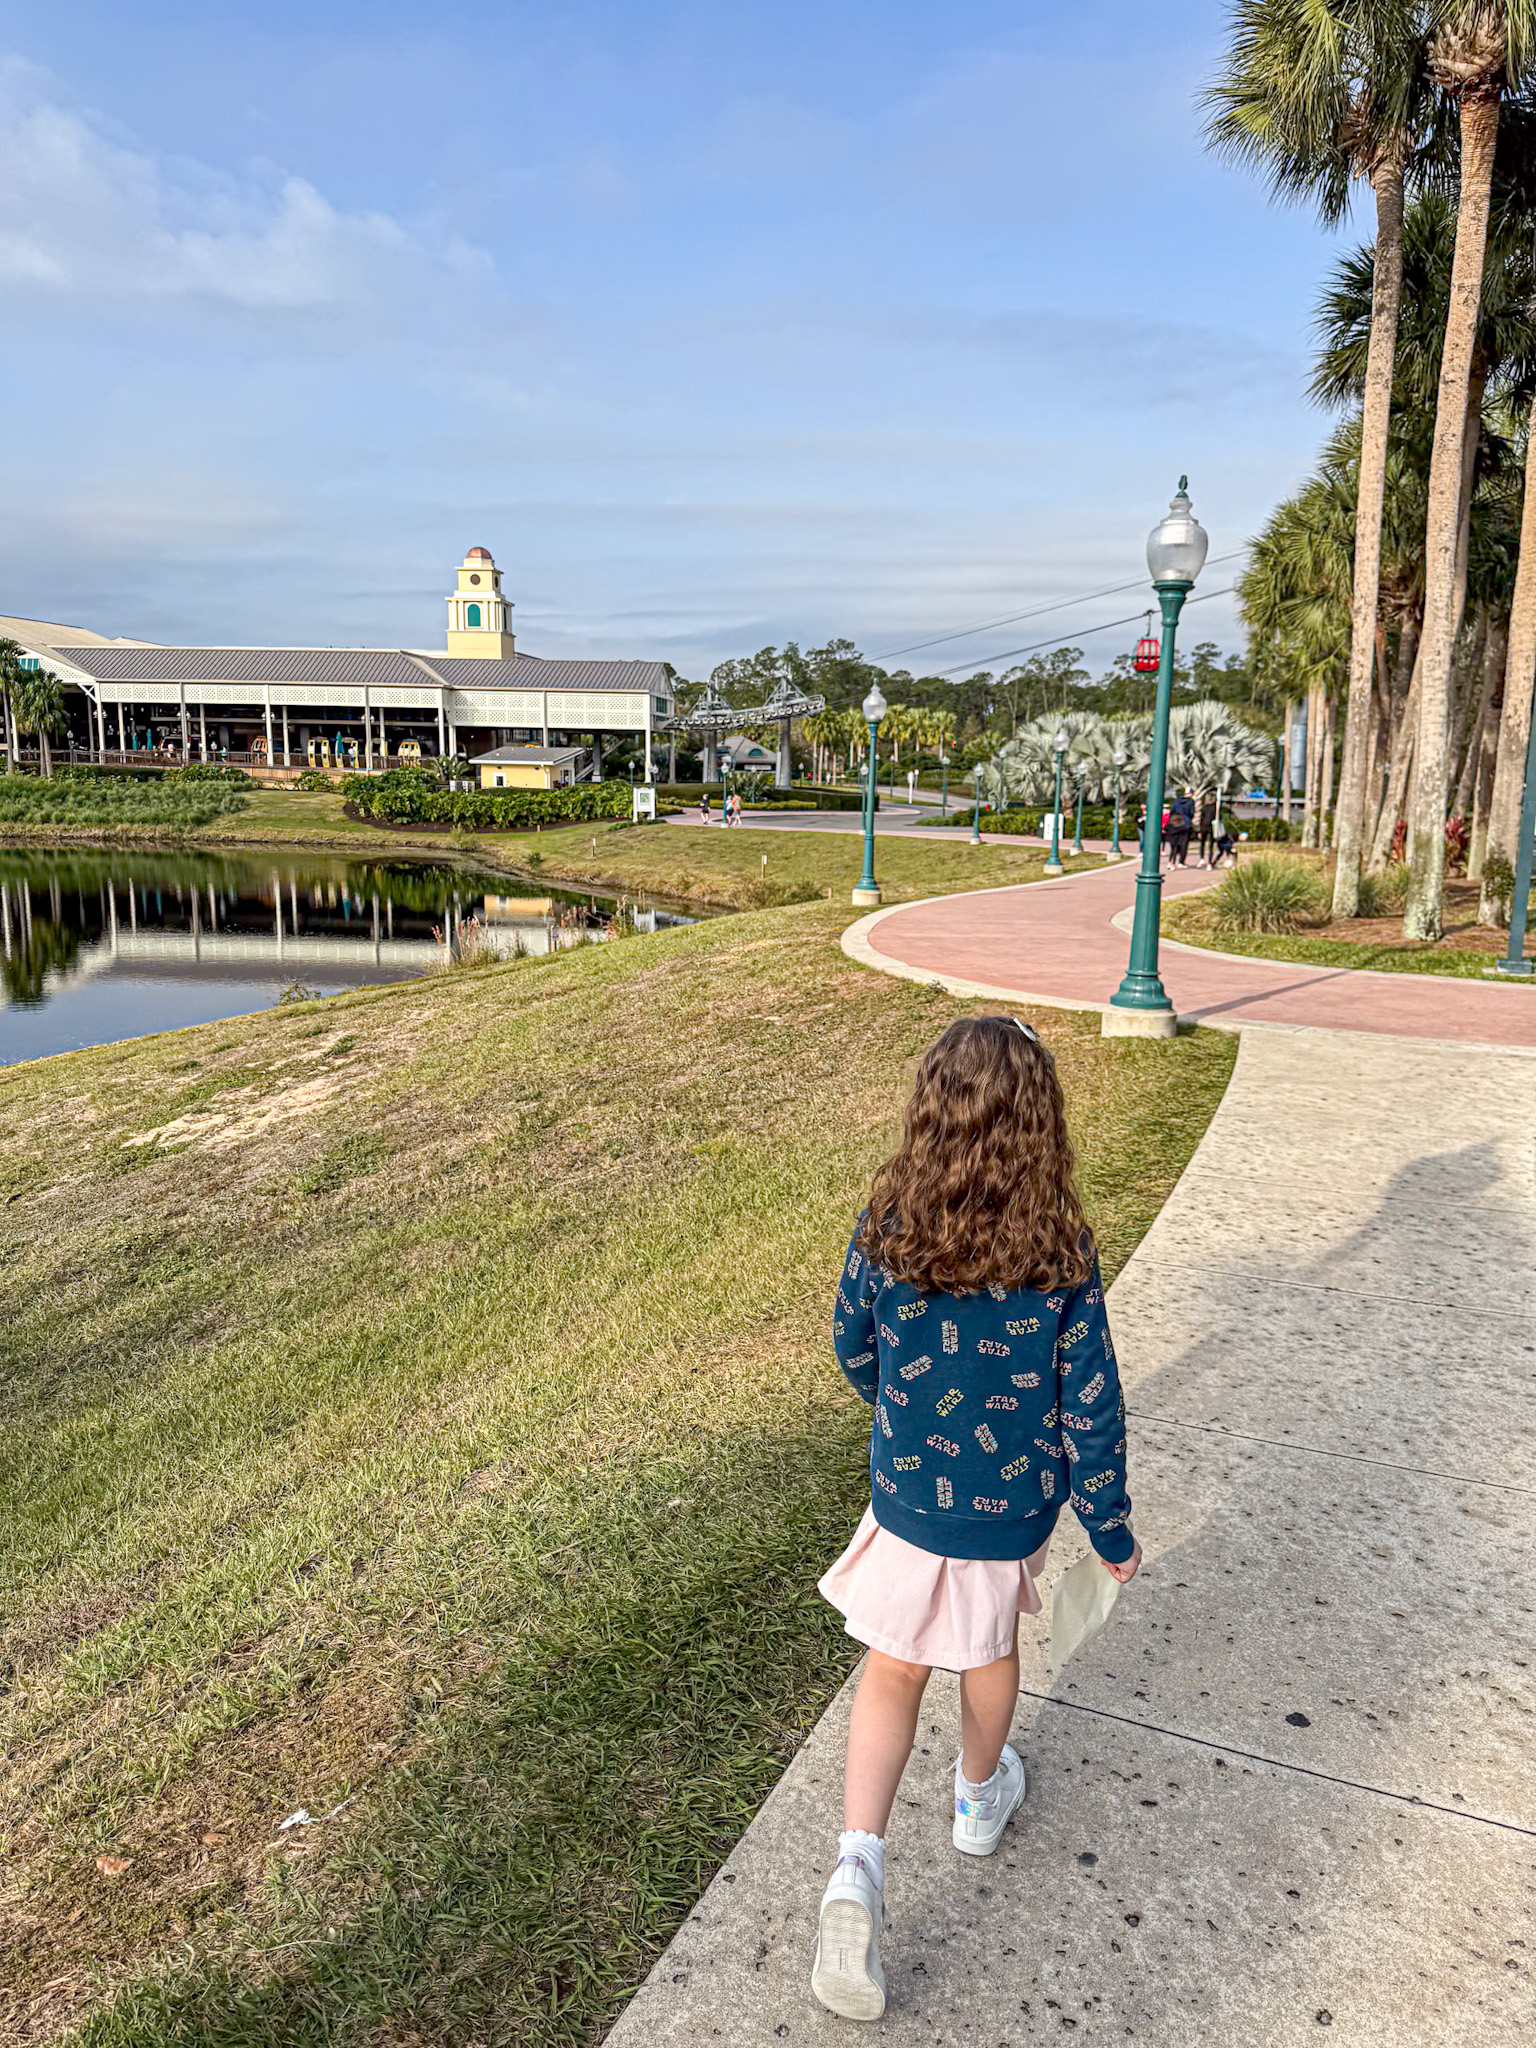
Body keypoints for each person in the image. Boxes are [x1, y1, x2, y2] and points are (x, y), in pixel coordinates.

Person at [812, 1017, 1139, 2021]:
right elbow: (1091, 1403)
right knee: (987, 1649)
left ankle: (855, 1869)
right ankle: (976, 1793)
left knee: (893, 1666)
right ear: (1043, 1126)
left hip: (909, 1491)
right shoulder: (1060, 1250)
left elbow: (851, 1341)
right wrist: (1111, 1527)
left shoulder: (888, 1225)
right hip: (1010, 1507)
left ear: (928, 1111)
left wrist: (892, 1406)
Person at [1166, 788, 1194, 867]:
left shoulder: (1176, 801)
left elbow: (1172, 811)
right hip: (1186, 824)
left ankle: (1171, 861)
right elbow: (1191, 813)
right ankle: (1181, 861)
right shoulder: (1190, 802)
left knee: (1174, 843)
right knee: (1183, 843)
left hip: (1175, 823)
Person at [1196, 793, 1218, 868]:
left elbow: (1201, 818)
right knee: (1210, 845)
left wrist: (1199, 829)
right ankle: (1209, 862)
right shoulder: (1216, 808)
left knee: (1202, 843)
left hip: (1204, 826)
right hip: (1211, 827)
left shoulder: (1204, 807)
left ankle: (1202, 859)